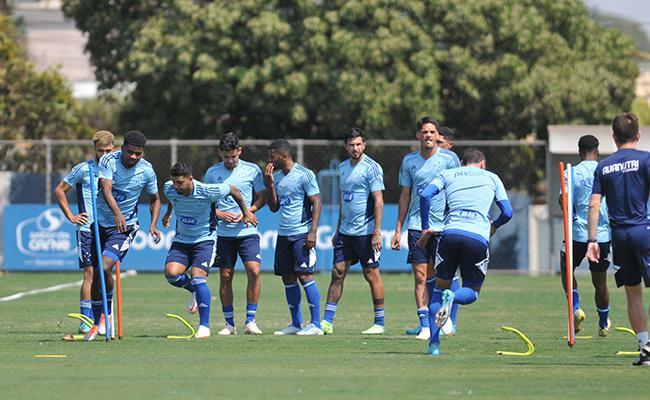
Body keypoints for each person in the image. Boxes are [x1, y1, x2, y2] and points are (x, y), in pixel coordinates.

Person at [418, 148, 512, 355]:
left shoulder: (448, 174)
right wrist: (493, 225)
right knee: (471, 292)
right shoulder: (492, 177)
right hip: (476, 237)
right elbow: (508, 212)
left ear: (461, 163)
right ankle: (453, 297)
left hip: (450, 235)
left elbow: (425, 195)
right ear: (483, 164)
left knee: (437, 291)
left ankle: (434, 346)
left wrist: (426, 227)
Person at [162, 162, 256, 339]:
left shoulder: (208, 191)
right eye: (174, 182)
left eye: (180, 183)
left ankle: (204, 326)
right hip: (182, 240)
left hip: (205, 241)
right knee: (171, 274)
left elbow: (234, 190)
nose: (176, 186)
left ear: (190, 179)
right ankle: (194, 292)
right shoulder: (169, 188)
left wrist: (246, 212)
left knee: (198, 278)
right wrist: (168, 213)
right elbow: (172, 197)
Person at [84, 130, 162, 340]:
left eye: (138, 153)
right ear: (123, 147)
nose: (134, 157)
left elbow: (156, 199)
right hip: (101, 222)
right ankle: (97, 321)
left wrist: (153, 224)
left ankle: (106, 313)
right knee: (96, 274)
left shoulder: (147, 170)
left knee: (104, 266)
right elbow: (106, 189)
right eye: (130, 152)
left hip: (125, 228)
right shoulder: (109, 160)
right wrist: (117, 212)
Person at [587, 113, 650, 366]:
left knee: (633, 294)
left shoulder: (603, 167)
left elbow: (593, 205)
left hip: (619, 235)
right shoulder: (646, 160)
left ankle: (645, 347)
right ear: (638, 135)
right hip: (644, 230)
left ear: (613, 138)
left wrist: (592, 239)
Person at [390, 116, 461, 340]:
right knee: (420, 277)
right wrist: (398, 228)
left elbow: (457, 190)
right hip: (416, 226)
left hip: (442, 226)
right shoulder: (409, 161)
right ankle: (425, 325)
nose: (428, 135)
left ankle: (444, 315)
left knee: (442, 276)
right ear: (418, 135)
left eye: (432, 132)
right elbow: (404, 195)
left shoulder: (450, 159)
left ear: (437, 135)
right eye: (424, 132)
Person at [320, 128, 386, 335]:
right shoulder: (342, 167)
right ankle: (327, 322)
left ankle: (379, 323)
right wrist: (338, 229)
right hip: (346, 232)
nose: (355, 148)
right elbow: (343, 199)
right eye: (351, 144)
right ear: (346, 146)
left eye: (359, 144)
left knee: (371, 274)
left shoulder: (372, 167)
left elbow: (378, 200)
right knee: (337, 272)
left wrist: (376, 232)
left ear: (364, 145)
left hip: (366, 232)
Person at [204, 132, 266, 335]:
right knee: (225, 276)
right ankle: (229, 324)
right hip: (223, 234)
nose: (230, 160)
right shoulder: (212, 173)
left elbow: (261, 197)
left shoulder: (252, 170)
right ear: (220, 153)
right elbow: (205, 203)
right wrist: (220, 213)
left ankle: (251, 321)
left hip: (247, 231)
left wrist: (248, 212)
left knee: (254, 271)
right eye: (226, 157)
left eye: (233, 156)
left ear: (240, 151)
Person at [54, 130, 114, 334]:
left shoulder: (117, 169)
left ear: (113, 148)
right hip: (87, 228)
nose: (104, 154)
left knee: (104, 272)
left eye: (108, 150)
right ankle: (86, 319)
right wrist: (71, 216)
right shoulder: (83, 169)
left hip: (108, 227)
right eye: (100, 150)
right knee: (89, 272)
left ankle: (106, 315)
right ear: (94, 149)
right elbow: (59, 190)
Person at [264, 139, 324, 335]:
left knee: (305, 275)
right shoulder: (278, 177)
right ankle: (296, 323)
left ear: (284, 155)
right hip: (284, 234)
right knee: (287, 277)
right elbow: (273, 207)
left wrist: (313, 231)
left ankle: (316, 324)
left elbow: (316, 202)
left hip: (302, 233)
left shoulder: (304, 175)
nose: (270, 160)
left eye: (273, 156)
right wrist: (270, 185)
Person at [559, 135, 611, 336]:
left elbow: (564, 202)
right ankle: (604, 323)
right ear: (597, 151)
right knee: (600, 281)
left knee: (566, 270)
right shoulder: (605, 171)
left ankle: (576, 307)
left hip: (576, 234)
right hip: (601, 235)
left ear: (579, 151)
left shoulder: (571, 172)